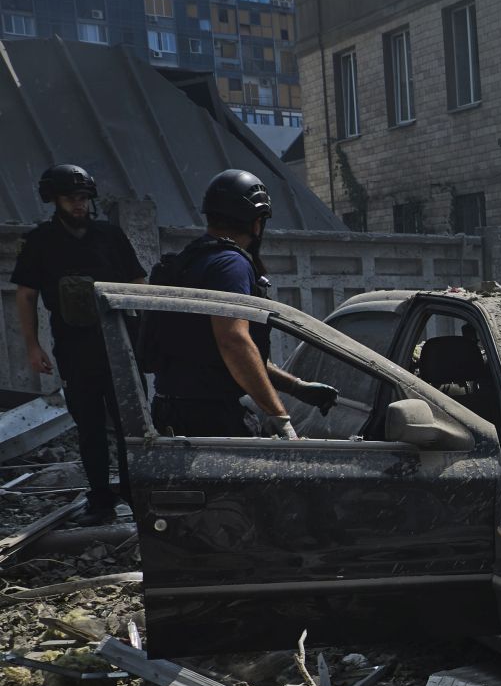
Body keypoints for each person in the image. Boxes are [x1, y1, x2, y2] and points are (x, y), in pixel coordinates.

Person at [144, 169, 336, 437]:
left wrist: (296, 387)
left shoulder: (191, 260)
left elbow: (234, 355)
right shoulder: (230, 264)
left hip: (171, 411)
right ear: (257, 222)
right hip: (211, 419)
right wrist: (280, 417)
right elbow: (234, 343)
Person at [9, 164, 147, 525]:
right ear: (54, 199)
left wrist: (144, 337)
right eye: (71, 198)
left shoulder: (109, 236)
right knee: (89, 428)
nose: (79, 204)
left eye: (84, 198)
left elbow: (138, 282)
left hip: (121, 347)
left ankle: (139, 497)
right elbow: (26, 295)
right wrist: (32, 347)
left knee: (131, 426)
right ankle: (101, 501)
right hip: (75, 347)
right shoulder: (41, 241)